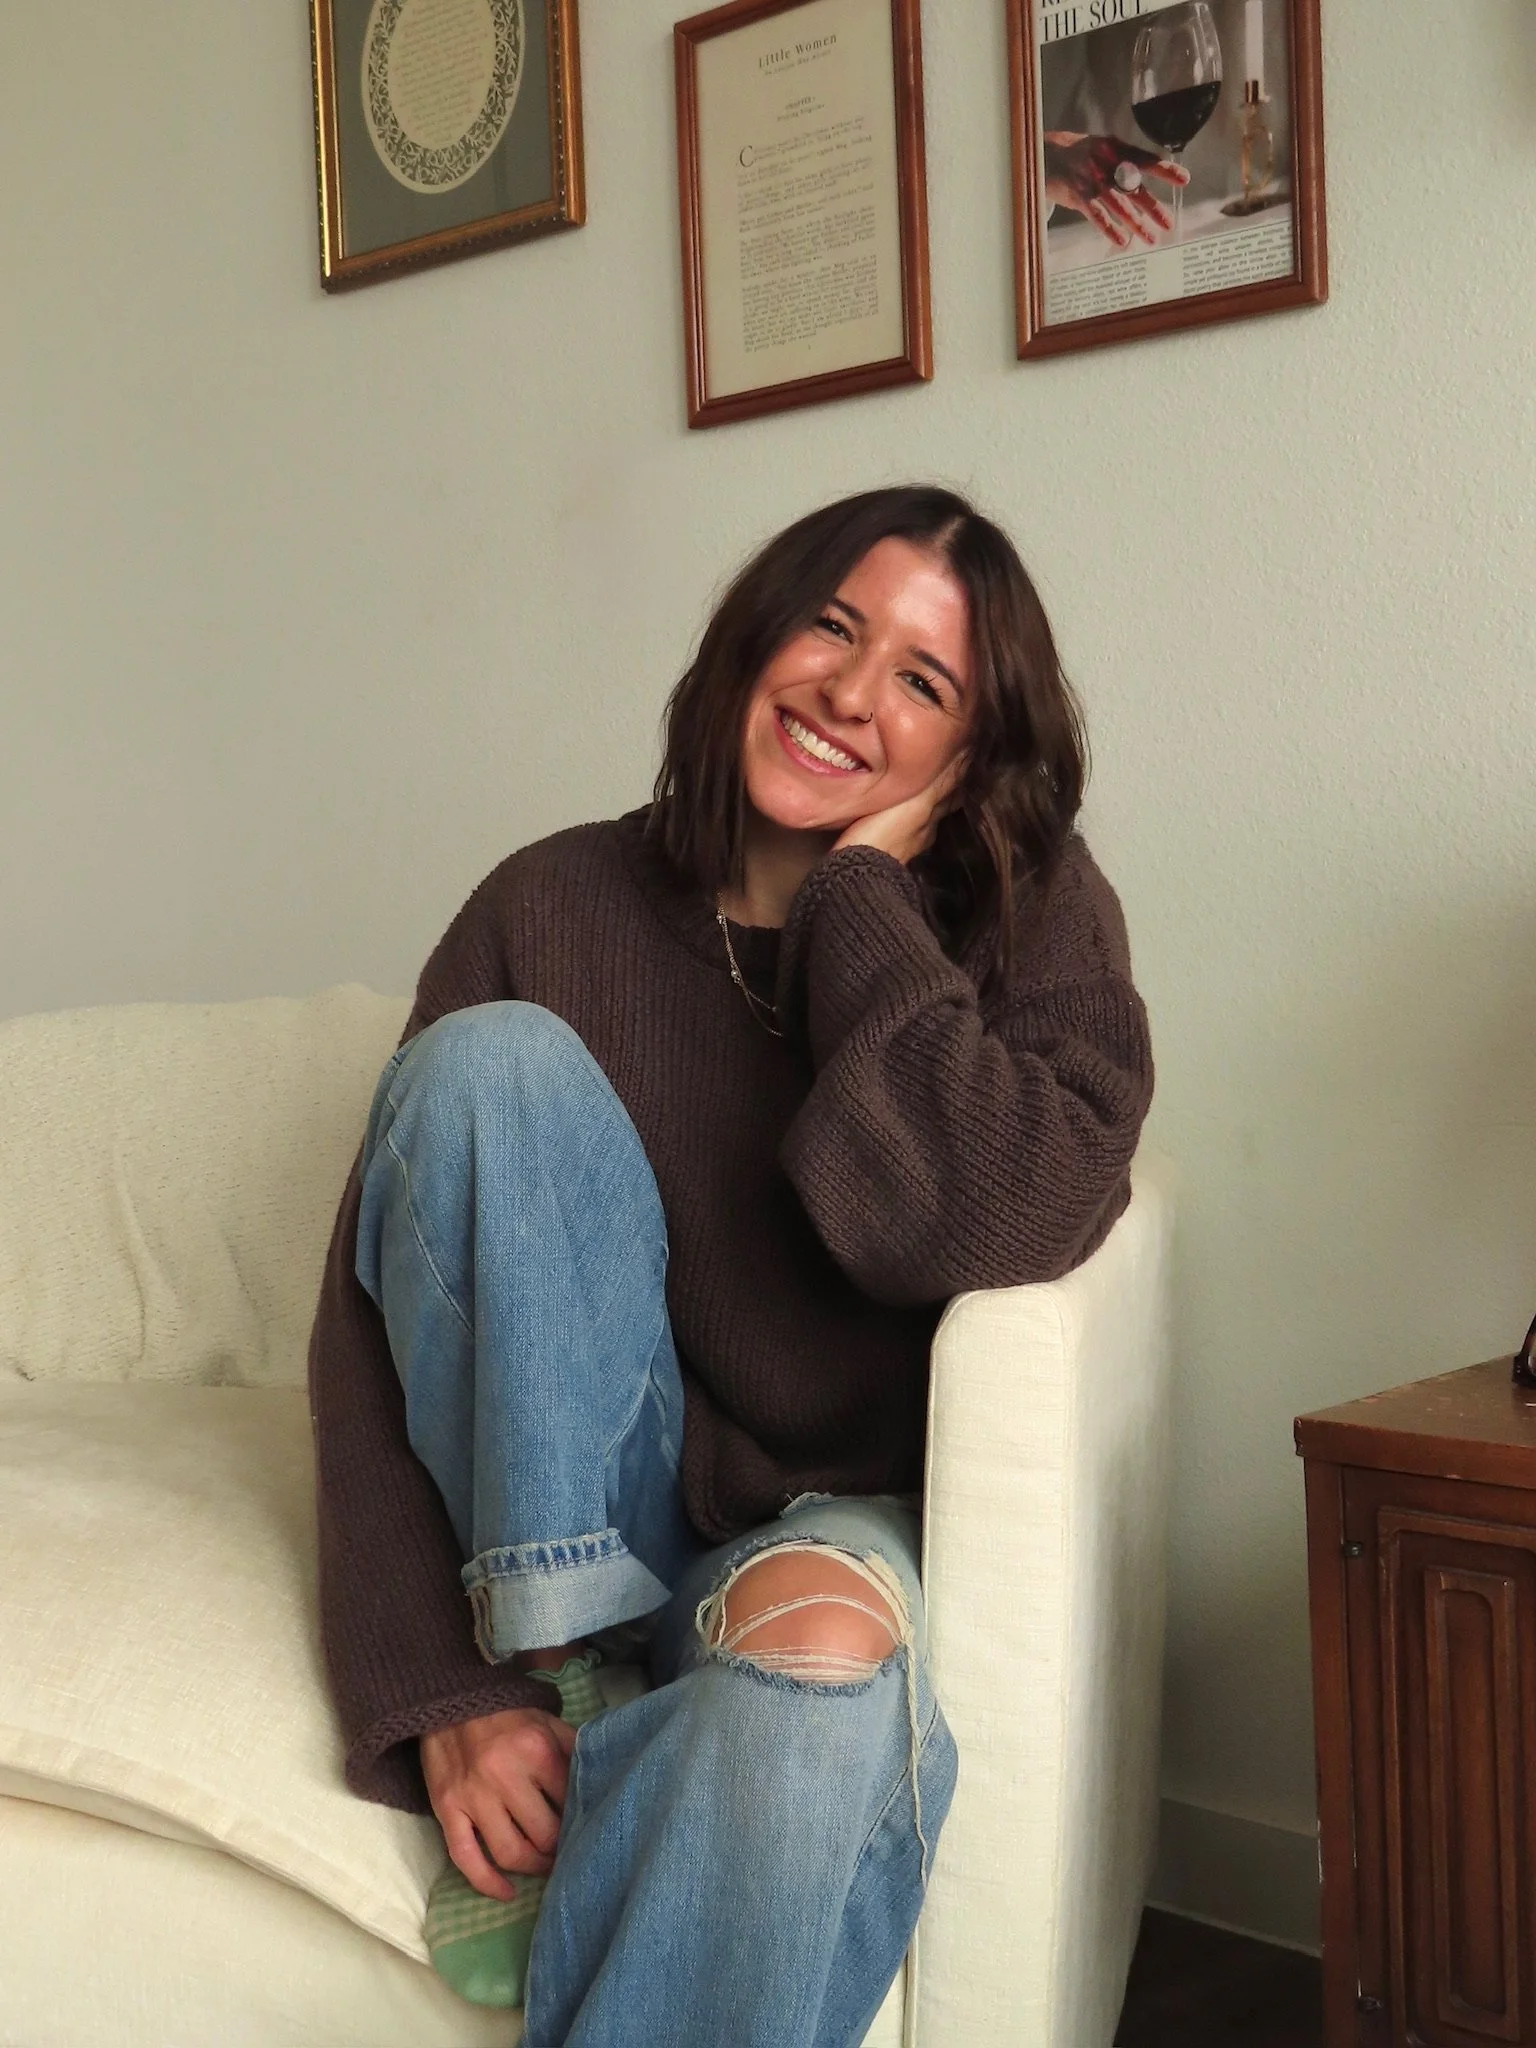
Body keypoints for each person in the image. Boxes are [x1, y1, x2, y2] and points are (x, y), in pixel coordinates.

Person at [307, 484, 1154, 2048]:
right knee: (490, 1068)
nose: (849, 690)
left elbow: (998, 1217)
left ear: (971, 755)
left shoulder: (1034, 921)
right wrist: (443, 1692)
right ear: (754, 632)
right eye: (834, 624)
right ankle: (560, 1670)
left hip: (819, 1519)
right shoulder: (548, 902)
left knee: (828, 1685)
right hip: (561, 1515)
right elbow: (363, 1332)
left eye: (923, 680)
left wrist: (861, 906)